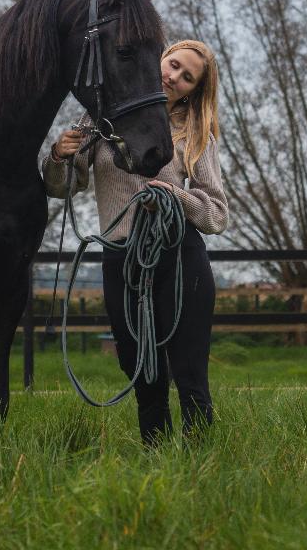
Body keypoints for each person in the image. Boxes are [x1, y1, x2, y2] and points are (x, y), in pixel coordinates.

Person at [42, 39, 229, 444]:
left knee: (189, 371)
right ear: (160, 58)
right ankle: (156, 459)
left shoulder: (195, 134)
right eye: (174, 64)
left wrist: (171, 194)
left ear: (194, 90)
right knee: (138, 364)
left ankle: (203, 463)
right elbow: (62, 188)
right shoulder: (101, 117)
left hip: (178, 258)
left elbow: (216, 214)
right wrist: (59, 155)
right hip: (120, 257)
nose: (174, 77)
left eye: (187, 77)